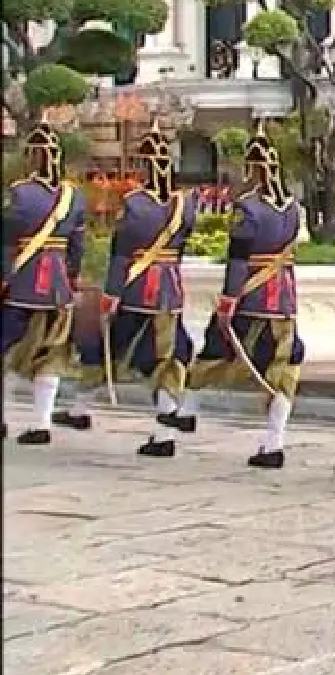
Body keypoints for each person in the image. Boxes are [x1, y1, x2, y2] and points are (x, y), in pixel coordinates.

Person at [64, 124, 196, 455]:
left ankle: (82, 406)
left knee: (108, 348)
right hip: (169, 289)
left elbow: (121, 253)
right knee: (170, 356)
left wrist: (111, 293)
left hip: (136, 290)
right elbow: (180, 249)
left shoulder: (135, 203)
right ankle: (164, 428)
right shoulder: (185, 205)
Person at [186, 122, 308, 467]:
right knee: (284, 367)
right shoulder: (293, 208)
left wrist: (228, 299)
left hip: (251, 297)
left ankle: (186, 409)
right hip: (283, 299)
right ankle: (274, 441)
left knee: (217, 350)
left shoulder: (247, 208)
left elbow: (238, 258)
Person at [3, 122, 88, 444]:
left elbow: (6, 242)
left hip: (21, 283)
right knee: (52, 354)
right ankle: (42, 424)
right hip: (57, 285)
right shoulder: (74, 196)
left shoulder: (19, 192)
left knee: (7, 350)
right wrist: (72, 278)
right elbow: (77, 246)